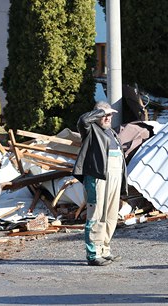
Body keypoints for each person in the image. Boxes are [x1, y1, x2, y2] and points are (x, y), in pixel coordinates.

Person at [73, 101, 127, 266]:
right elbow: (83, 121)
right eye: (105, 115)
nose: (108, 118)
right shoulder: (90, 130)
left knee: (111, 215)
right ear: (96, 116)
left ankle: (104, 249)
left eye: (110, 115)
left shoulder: (112, 132)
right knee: (96, 214)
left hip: (115, 176)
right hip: (98, 177)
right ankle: (93, 254)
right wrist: (101, 112)